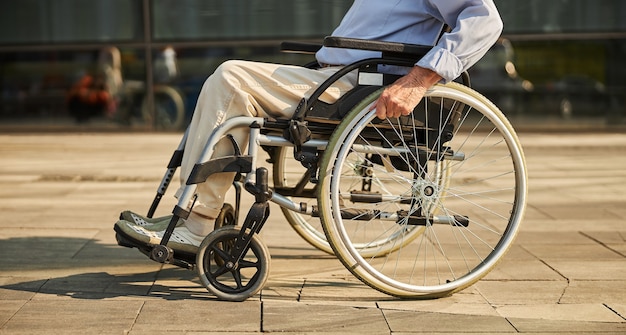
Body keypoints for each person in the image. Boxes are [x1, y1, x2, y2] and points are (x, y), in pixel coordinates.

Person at [115, 0, 503, 255]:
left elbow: (486, 21)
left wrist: (418, 81)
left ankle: (197, 222)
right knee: (231, 95)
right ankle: (199, 215)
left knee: (229, 78)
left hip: (357, 88)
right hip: (336, 79)